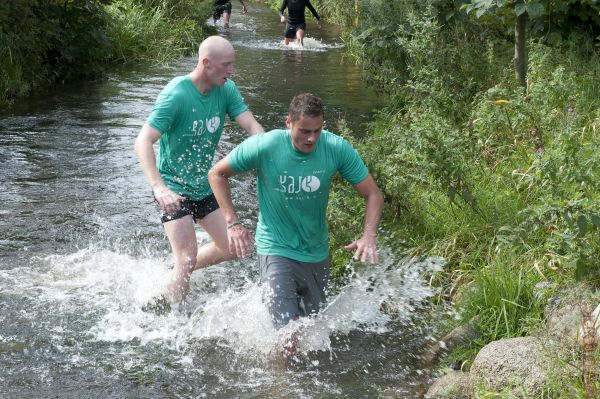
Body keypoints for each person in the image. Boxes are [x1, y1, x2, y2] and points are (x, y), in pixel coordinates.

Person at [208, 93, 383, 332]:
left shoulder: (336, 148)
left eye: (317, 131)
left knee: (311, 332)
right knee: (286, 333)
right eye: (304, 131)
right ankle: (277, 371)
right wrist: (233, 223)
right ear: (288, 121)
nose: (311, 139)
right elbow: (217, 174)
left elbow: (373, 194)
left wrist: (369, 236)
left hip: (315, 252)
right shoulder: (266, 145)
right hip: (275, 248)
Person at [134, 35, 264, 306]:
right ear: (206, 63)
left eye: (233, 64)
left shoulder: (226, 89)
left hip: (205, 186)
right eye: (226, 65)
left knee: (233, 248)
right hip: (174, 188)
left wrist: (269, 155)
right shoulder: (176, 95)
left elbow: (254, 130)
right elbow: (143, 141)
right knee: (187, 256)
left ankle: (177, 272)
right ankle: (175, 324)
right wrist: (160, 188)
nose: (231, 71)